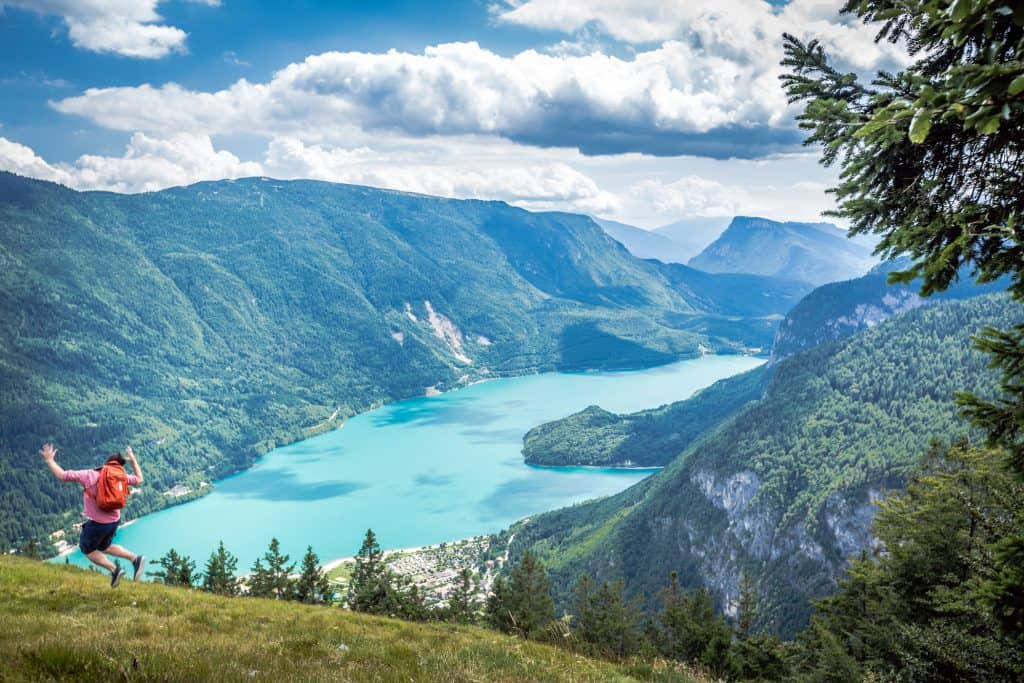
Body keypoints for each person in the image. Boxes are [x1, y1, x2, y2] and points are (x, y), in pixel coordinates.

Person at [39, 442, 146, 587]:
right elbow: (139, 479)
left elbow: (62, 476)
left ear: (105, 464)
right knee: (104, 546)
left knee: (86, 549)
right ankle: (135, 558)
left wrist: (49, 460)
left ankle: (114, 570)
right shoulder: (121, 477)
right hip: (114, 521)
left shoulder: (89, 475)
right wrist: (133, 460)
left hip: (98, 524)